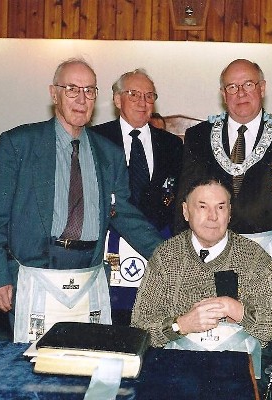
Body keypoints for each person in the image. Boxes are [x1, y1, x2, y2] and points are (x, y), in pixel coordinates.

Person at [0, 58, 163, 340]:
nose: (81, 98)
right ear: (54, 94)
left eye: (89, 91)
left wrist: (172, 257)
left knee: (87, 363)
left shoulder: (109, 154)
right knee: (32, 368)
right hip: (34, 274)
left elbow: (124, 214)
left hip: (88, 276)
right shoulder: (19, 144)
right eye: (72, 89)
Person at [131, 177, 272, 393]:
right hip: (176, 370)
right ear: (186, 212)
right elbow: (140, 328)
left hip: (238, 372)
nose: (213, 217)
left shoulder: (255, 258)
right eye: (202, 207)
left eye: (220, 207)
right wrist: (181, 324)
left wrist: (238, 311)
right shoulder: (166, 256)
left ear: (230, 212)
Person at [175, 58, 272, 294]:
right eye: (232, 87)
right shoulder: (198, 137)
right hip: (209, 253)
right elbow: (185, 200)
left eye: (248, 84)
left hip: (268, 254)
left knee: (264, 327)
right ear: (223, 93)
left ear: (262, 88)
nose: (241, 93)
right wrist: (181, 257)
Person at [90, 69, 183, 324]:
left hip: (157, 242)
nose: (143, 102)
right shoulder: (94, 139)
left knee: (154, 321)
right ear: (117, 100)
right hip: (109, 247)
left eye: (149, 95)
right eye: (134, 94)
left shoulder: (173, 145)